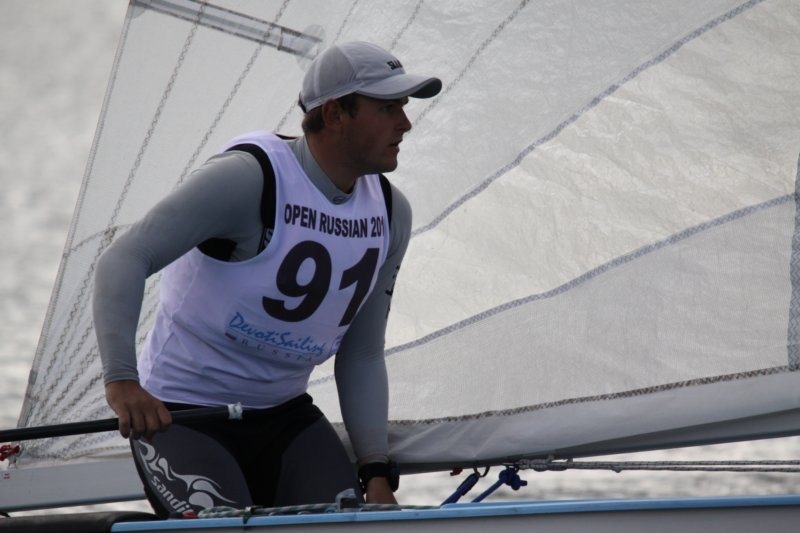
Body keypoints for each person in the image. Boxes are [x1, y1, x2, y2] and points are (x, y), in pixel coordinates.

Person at [93, 41, 441, 516]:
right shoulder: (249, 178)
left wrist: (375, 472)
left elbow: (361, 352)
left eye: (403, 106)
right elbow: (124, 259)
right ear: (335, 114)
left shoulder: (391, 212)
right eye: (388, 108)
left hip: (286, 420)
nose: (405, 123)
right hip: (183, 418)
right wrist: (122, 383)